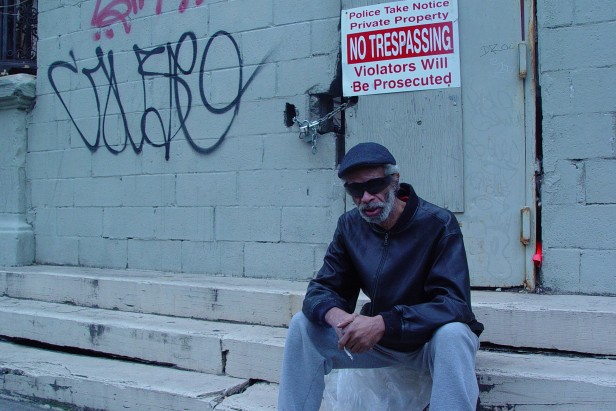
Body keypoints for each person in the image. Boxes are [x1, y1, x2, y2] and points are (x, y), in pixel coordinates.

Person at [278, 142, 484, 410]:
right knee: (302, 326)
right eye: (355, 189)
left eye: (374, 185)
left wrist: (384, 323)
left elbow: (455, 304)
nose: (365, 197)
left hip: (427, 341)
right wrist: (338, 318)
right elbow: (322, 289)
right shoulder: (349, 226)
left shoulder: (438, 223)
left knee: (454, 334)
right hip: (379, 342)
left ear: (394, 181)